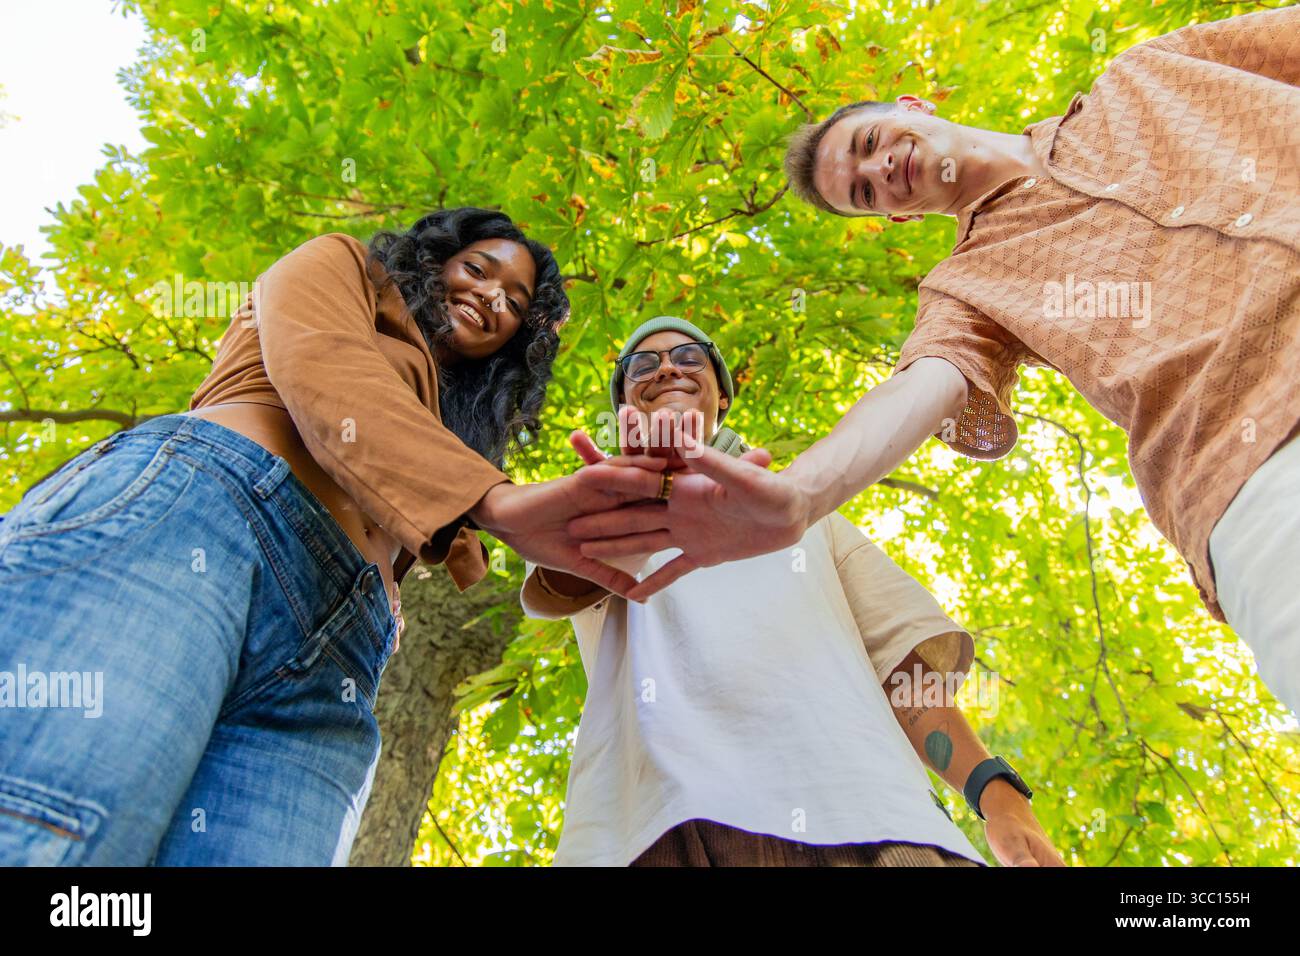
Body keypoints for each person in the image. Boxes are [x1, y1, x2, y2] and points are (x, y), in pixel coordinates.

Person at [568, 9, 1300, 714]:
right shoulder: (968, 290)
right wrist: (798, 496)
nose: (881, 168)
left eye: (870, 141)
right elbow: (925, 384)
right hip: (1255, 467)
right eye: (862, 191)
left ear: (912, 105)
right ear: (894, 217)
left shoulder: (1146, 76)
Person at [0, 207, 664, 866]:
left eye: (515, 301)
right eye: (478, 269)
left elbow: (489, 550)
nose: (491, 296)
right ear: (435, 261)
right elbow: (327, 369)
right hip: (207, 517)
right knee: (53, 825)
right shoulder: (344, 265)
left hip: (338, 655)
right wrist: (494, 500)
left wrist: (619, 526)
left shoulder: (449, 435)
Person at [523, 316, 1064, 867]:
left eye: (688, 358)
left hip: (876, 817)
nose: (665, 367)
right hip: (655, 828)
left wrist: (998, 795)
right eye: (643, 364)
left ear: (723, 397)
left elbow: (901, 670)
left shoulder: (814, 516)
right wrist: (642, 482)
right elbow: (558, 583)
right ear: (624, 408)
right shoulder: (594, 504)